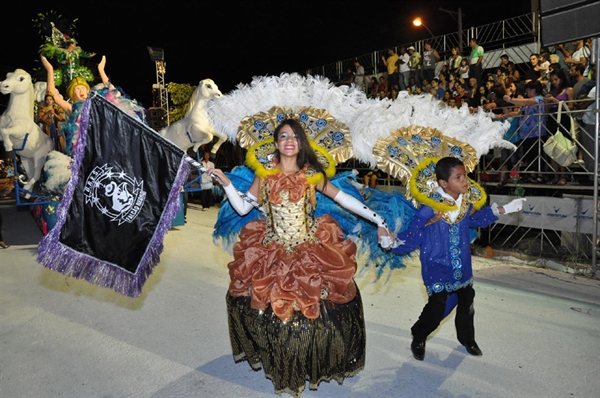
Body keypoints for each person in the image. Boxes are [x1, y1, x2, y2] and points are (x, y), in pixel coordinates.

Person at [207, 119, 395, 395]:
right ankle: (282, 363)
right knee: (277, 312)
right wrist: (225, 183)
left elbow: (344, 199)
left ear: (301, 142)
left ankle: (309, 362)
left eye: (295, 136)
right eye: (283, 136)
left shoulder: (312, 175)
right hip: (271, 251)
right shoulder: (265, 174)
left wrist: (379, 220)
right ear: (276, 143)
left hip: (309, 251)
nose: (289, 140)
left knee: (314, 312)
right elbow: (244, 208)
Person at [391, 157, 525, 361]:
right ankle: (419, 335)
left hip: (461, 263)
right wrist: (391, 243)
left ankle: (467, 339)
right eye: (458, 177)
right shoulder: (430, 208)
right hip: (435, 263)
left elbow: (478, 219)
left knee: (466, 299)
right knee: (437, 304)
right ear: (444, 183)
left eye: (465, 176)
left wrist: (505, 209)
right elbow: (413, 233)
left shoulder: (466, 204)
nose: (465, 181)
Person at [41, 55, 109, 156]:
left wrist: (101, 70)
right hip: (83, 148)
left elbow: (112, 92)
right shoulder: (72, 108)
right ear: (72, 94)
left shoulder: (96, 105)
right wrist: (50, 70)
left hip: (100, 144)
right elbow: (52, 94)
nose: (81, 91)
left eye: (83, 88)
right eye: (77, 89)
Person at [502, 80, 548, 183]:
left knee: (537, 154)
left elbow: (527, 102)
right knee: (530, 155)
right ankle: (532, 175)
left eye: (529, 89)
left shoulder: (538, 99)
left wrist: (511, 100)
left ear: (534, 90)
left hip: (536, 132)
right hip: (526, 134)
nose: (527, 91)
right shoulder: (529, 101)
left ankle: (539, 175)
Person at [544, 69, 575, 185]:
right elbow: (547, 111)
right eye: (552, 80)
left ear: (561, 79)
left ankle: (563, 176)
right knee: (553, 148)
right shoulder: (552, 92)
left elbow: (571, 107)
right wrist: (546, 102)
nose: (554, 82)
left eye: (556, 79)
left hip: (563, 118)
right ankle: (556, 175)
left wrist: (555, 100)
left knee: (563, 147)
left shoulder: (569, 90)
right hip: (552, 119)